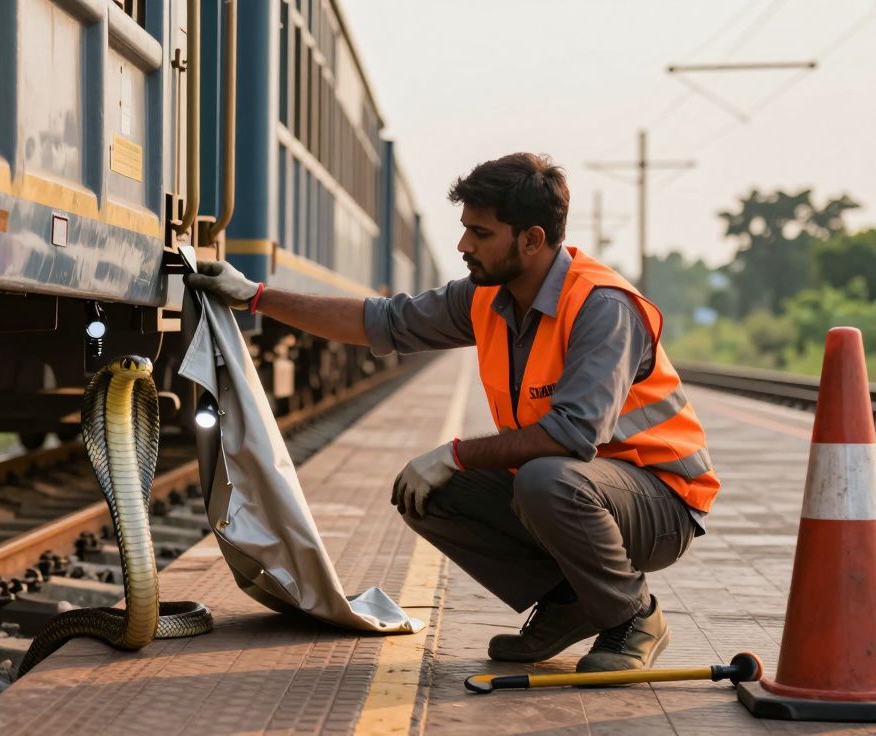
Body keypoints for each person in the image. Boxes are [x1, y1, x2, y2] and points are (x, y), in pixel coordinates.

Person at [183, 152, 719, 673]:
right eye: (465, 229)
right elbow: (382, 322)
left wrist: (456, 452)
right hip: (587, 489)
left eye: (480, 233)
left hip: (661, 502)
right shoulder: (489, 296)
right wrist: (256, 297)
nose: (463, 245)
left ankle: (633, 618)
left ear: (532, 240)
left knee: (544, 479)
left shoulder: (602, 307)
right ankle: (572, 602)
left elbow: (572, 435)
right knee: (426, 491)